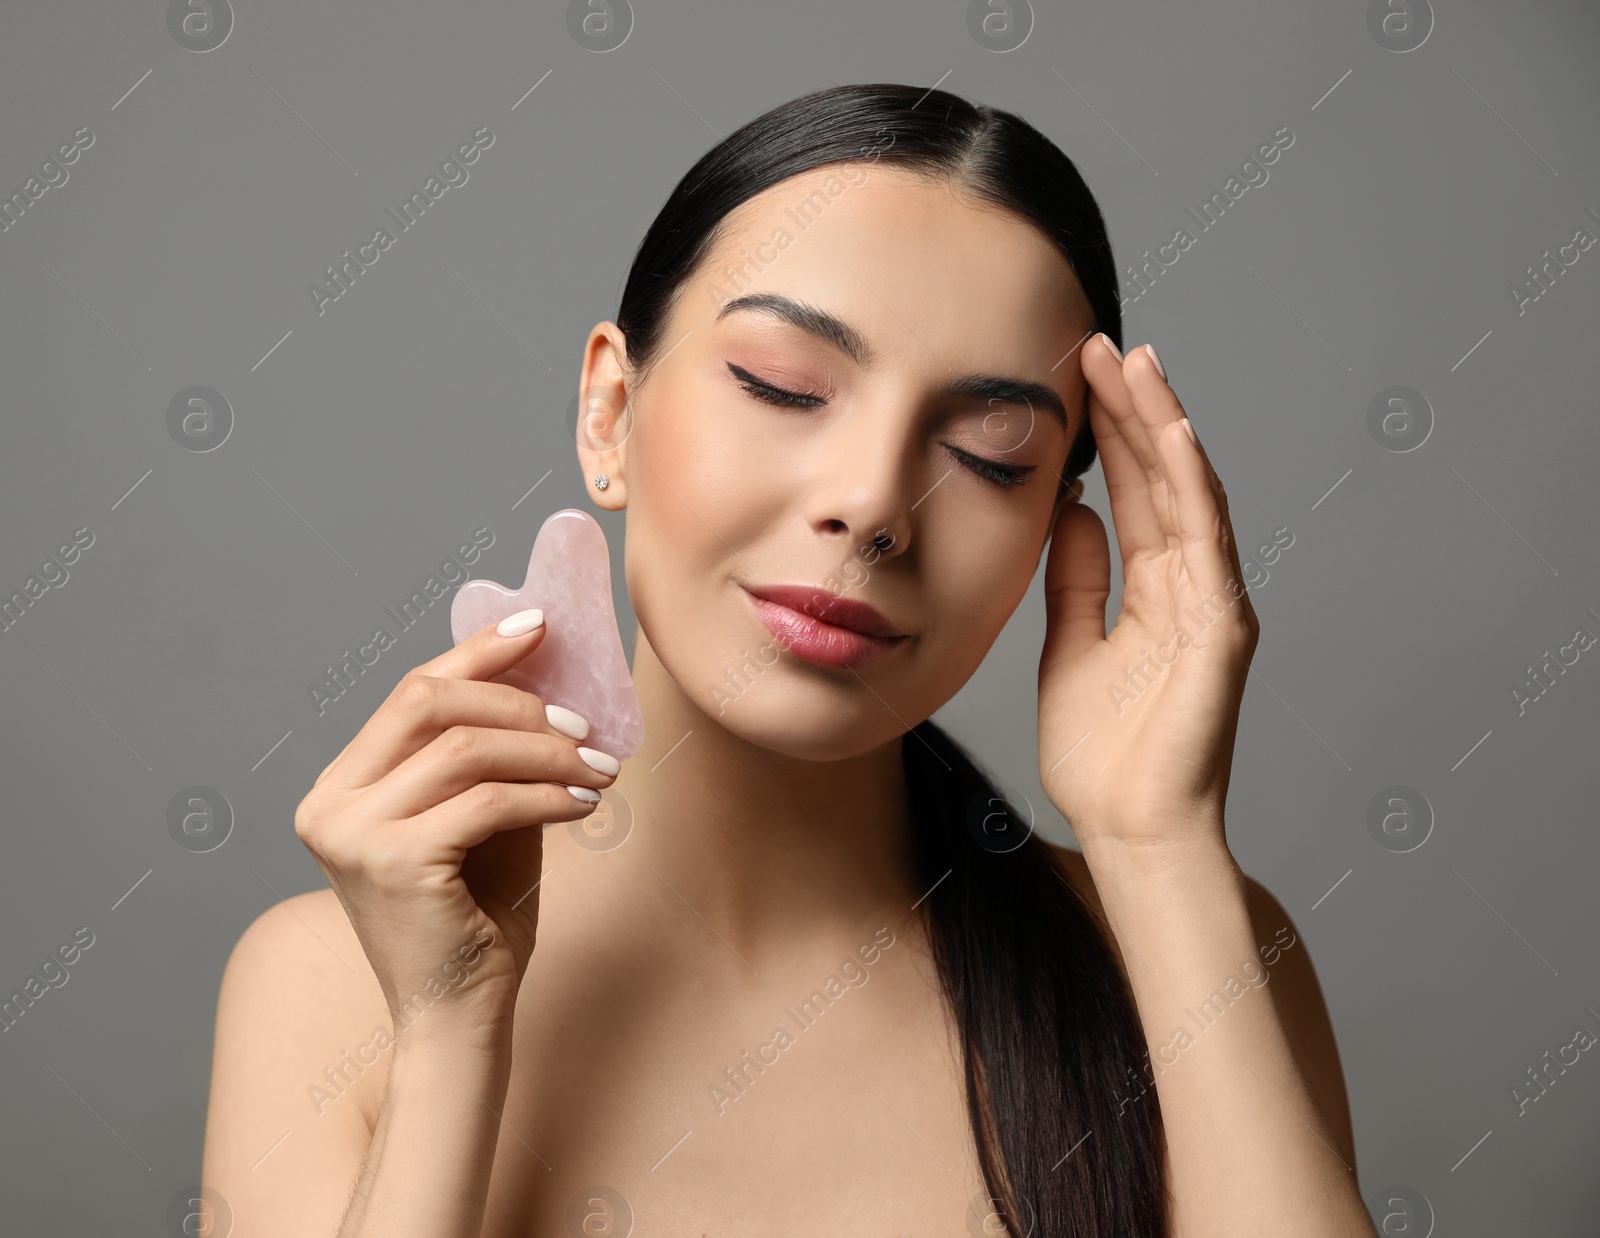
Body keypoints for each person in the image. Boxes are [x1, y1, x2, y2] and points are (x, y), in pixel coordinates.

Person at [201, 83, 1374, 1237]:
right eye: (782, 386)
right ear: (609, 413)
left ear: (1059, 529)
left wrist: (1157, 845)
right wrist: (449, 1030)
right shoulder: (328, 984)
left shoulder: (1186, 955)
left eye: (989, 452)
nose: (873, 502)